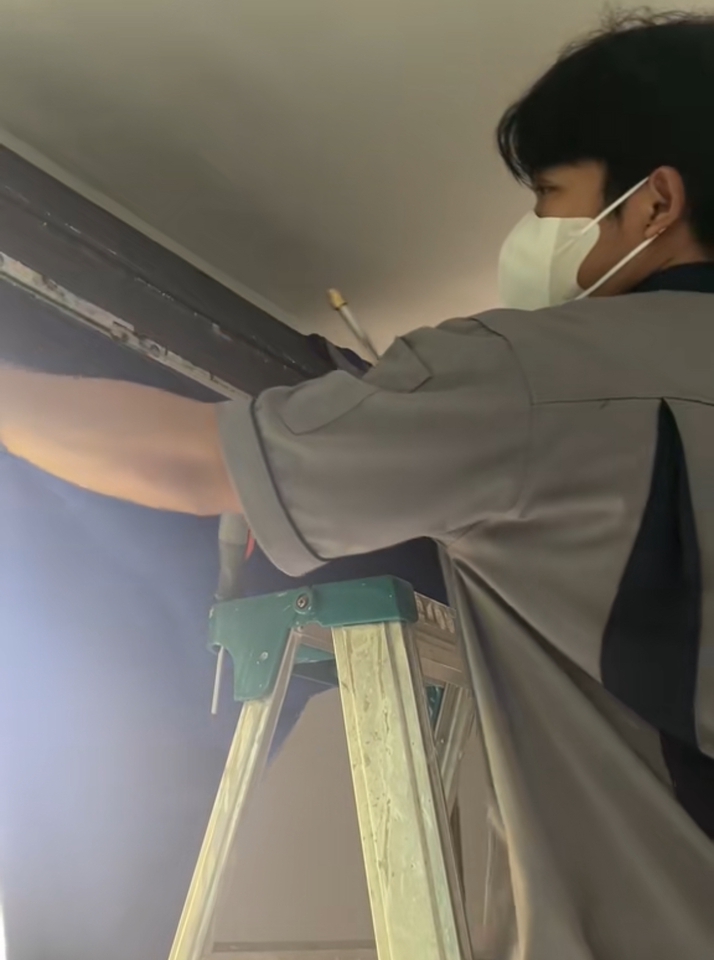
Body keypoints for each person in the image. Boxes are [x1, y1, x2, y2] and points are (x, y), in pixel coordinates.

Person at [2, 9, 714, 958]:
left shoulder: (535, 375)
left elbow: (195, 462)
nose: (536, 228)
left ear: (654, 203)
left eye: (551, 194)